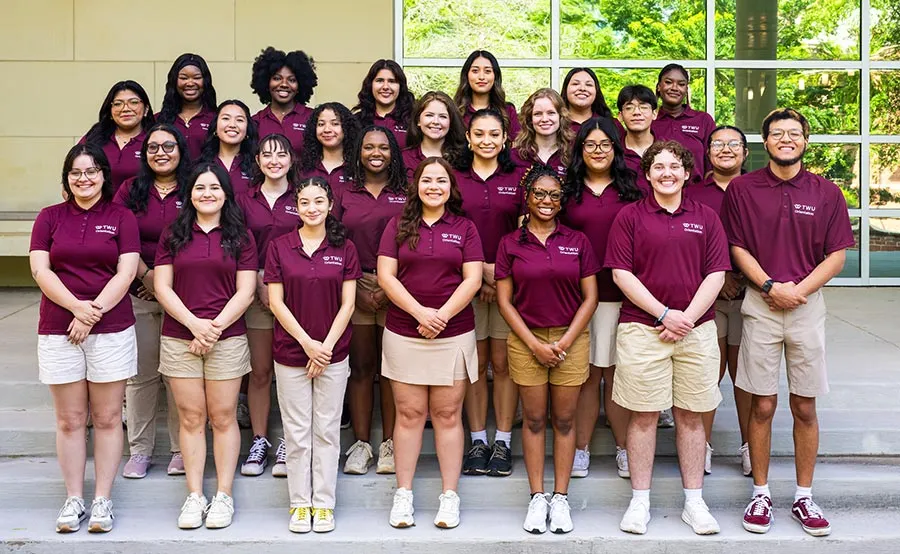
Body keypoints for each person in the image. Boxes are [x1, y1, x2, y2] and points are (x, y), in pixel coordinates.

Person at [722, 108, 854, 537]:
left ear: (805, 141)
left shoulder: (826, 192)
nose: (785, 139)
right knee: (761, 404)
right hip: (760, 304)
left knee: (805, 405)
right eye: (776, 133)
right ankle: (760, 493)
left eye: (793, 133)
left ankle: (803, 496)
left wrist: (797, 291)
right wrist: (769, 285)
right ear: (765, 142)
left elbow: (836, 255)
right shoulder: (742, 189)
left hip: (806, 306)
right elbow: (736, 246)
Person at [606, 140, 730, 536]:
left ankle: (694, 502)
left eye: (674, 166)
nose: (667, 173)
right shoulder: (629, 217)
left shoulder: (706, 217)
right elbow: (621, 274)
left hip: (696, 330)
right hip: (643, 329)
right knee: (643, 415)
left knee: (691, 416)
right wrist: (663, 314)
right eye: (658, 167)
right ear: (647, 174)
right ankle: (640, 501)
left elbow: (716, 273)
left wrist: (685, 319)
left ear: (687, 173)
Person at [31, 143, 140, 534]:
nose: (84, 178)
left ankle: (102, 500)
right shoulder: (49, 217)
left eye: (91, 171)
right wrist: (76, 308)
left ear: (103, 176)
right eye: (76, 172)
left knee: (108, 418)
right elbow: (41, 271)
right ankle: (74, 498)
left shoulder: (121, 216)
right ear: (67, 178)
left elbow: (127, 272)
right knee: (70, 420)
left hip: (111, 329)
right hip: (58, 329)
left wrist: (91, 314)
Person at [377, 157, 484, 529]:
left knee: (448, 415)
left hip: (453, 334)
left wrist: (442, 316)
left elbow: (472, 280)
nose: (433, 187)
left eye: (441, 181)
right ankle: (403, 494)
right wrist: (421, 313)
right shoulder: (397, 225)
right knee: (408, 415)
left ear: (451, 188)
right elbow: (386, 276)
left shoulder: (465, 228)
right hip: (405, 333)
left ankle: (449, 496)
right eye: (427, 180)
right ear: (416, 185)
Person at [495, 165, 600, 534]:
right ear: (527, 197)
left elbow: (591, 298)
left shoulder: (578, 240)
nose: (546, 200)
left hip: (570, 339)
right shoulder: (510, 243)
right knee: (535, 419)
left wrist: (564, 342)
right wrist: (535, 345)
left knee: (565, 420)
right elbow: (504, 302)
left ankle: (561, 497)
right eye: (539, 193)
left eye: (554, 195)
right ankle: (537, 497)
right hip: (527, 340)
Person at [154, 163, 257, 530]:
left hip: (226, 338)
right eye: (200, 188)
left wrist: (213, 329)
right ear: (190, 194)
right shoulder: (173, 234)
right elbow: (162, 287)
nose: (207, 194)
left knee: (224, 416)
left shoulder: (241, 236)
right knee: (191, 417)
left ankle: (224, 495)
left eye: (214, 187)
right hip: (179, 337)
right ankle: (195, 495)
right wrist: (194, 325)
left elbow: (246, 291)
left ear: (226, 193)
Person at [265, 177, 361, 533]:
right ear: (296, 206)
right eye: (304, 202)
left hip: (333, 354)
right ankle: (299, 503)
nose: (312, 208)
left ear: (330, 205)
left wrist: (325, 348)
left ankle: (323, 504)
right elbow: (276, 302)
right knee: (296, 432)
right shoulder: (279, 247)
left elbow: (348, 304)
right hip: (291, 352)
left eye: (319, 201)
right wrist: (308, 344)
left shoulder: (345, 247)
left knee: (327, 430)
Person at [562, 117, 644, 480]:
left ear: (616, 148)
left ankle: (624, 448)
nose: (598, 151)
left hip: (623, 296)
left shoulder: (633, 189)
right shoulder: (567, 190)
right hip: (577, 298)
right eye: (590, 144)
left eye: (605, 144)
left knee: (617, 375)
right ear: (580, 149)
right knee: (586, 376)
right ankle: (580, 448)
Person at [113, 123, 189, 479]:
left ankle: (180, 449)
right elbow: (119, 237)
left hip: (185, 294)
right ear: (145, 154)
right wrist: (147, 277)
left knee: (178, 376)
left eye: (168, 146)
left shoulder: (194, 186)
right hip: (139, 291)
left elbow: (200, 237)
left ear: (181, 150)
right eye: (153, 147)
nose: (161, 153)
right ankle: (140, 450)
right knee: (141, 376)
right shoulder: (131, 190)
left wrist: (165, 282)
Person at [453, 108, 524, 478]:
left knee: (505, 363)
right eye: (479, 133)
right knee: (475, 364)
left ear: (505, 138)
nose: (486, 140)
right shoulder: (454, 176)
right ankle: (478, 440)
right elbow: (448, 229)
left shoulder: (519, 176)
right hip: (465, 284)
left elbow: (527, 230)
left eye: (494, 134)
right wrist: (480, 275)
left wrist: (500, 277)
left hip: (509, 286)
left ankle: (504, 442)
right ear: (468, 138)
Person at [333, 126, 408, 475]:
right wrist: (355, 288)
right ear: (358, 152)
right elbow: (334, 239)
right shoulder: (345, 191)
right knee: (362, 368)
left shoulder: (406, 191)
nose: (376, 153)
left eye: (383, 147)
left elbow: (414, 240)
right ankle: (361, 444)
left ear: (393, 153)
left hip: (400, 285)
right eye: (368, 147)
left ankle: (390, 443)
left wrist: (391, 287)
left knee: (391, 370)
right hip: (356, 283)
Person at [684, 125, 753, 477]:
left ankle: (750, 445)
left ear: (745, 152)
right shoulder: (692, 193)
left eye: (733, 144)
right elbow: (683, 243)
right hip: (702, 299)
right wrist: (718, 277)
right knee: (706, 374)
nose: (725, 149)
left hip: (750, 296)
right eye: (718, 144)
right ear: (707, 153)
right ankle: (703, 446)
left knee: (746, 377)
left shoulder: (757, 190)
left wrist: (740, 276)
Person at [236, 133, 302, 478]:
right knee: (260, 371)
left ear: (292, 159)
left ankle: (291, 442)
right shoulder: (243, 200)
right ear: (258, 161)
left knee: (293, 372)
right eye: (267, 155)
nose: (274, 161)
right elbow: (237, 245)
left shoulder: (303, 195)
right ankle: (259, 441)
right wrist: (259, 283)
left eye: (281, 154)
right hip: (256, 292)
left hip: (300, 293)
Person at [82, 80, 155, 190]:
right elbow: (72, 171)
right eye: (117, 104)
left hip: (140, 201)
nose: (125, 109)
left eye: (134, 102)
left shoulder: (155, 139)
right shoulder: (95, 136)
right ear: (110, 111)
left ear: (146, 109)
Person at [651, 64, 716, 185]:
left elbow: (713, 162)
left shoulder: (703, 120)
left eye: (681, 84)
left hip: (697, 191)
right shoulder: (650, 121)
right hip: (658, 190)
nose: (674, 88)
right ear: (659, 87)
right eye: (668, 82)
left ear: (686, 90)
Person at [250, 47, 318, 154]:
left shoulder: (313, 118)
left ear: (300, 85)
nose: (284, 84)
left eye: (292, 80)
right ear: (266, 82)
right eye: (277, 78)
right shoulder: (256, 121)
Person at [156, 53, 218, 160]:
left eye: (196, 77)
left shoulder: (216, 119)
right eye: (183, 78)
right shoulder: (158, 120)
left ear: (205, 81)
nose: (190, 83)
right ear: (174, 81)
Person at [454, 50, 521, 139]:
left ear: (495, 76)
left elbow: (517, 144)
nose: (481, 77)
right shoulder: (455, 111)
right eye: (475, 71)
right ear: (466, 75)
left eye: (487, 71)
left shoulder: (508, 111)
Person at [402, 91, 467, 181]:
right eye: (429, 115)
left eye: (443, 116)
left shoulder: (464, 159)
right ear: (418, 120)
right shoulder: (404, 158)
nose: (436, 121)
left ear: (451, 122)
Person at [201, 99, 259, 196]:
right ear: (215, 127)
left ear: (247, 129)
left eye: (239, 120)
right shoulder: (200, 166)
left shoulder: (258, 167)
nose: (232, 125)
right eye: (226, 118)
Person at [353, 60, 415, 149]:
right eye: (380, 81)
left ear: (400, 87)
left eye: (392, 81)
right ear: (370, 85)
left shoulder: (413, 120)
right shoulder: (357, 121)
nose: (385, 87)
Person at [512, 88, 573, 177]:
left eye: (551, 113)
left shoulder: (572, 154)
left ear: (561, 116)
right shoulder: (515, 156)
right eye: (538, 114)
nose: (544, 119)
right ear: (530, 119)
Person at [299, 102, 360, 191]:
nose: (327, 130)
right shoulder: (303, 168)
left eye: (335, 124)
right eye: (321, 124)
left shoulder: (358, 167)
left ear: (347, 128)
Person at [616, 85, 657, 195]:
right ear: (620, 116)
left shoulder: (668, 151)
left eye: (643, 107)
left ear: (654, 114)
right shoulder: (613, 152)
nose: (637, 112)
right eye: (629, 108)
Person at [560, 68, 616, 137]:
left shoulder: (612, 124)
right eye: (575, 84)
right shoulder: (554, 124)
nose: (582, 88)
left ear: (596, 91)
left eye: (589, 85)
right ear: (565, 89)